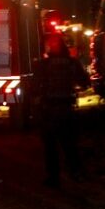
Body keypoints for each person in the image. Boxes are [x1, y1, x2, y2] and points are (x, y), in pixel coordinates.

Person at [34, 33, 91, 188]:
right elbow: (85, 82)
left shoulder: (43, 65)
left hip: (48, 111)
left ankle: (54, 177)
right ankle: (75, 172)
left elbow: (35, 86)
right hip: (66, 110)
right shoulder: (72, 63)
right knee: (69, 144)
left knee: (50, 147)